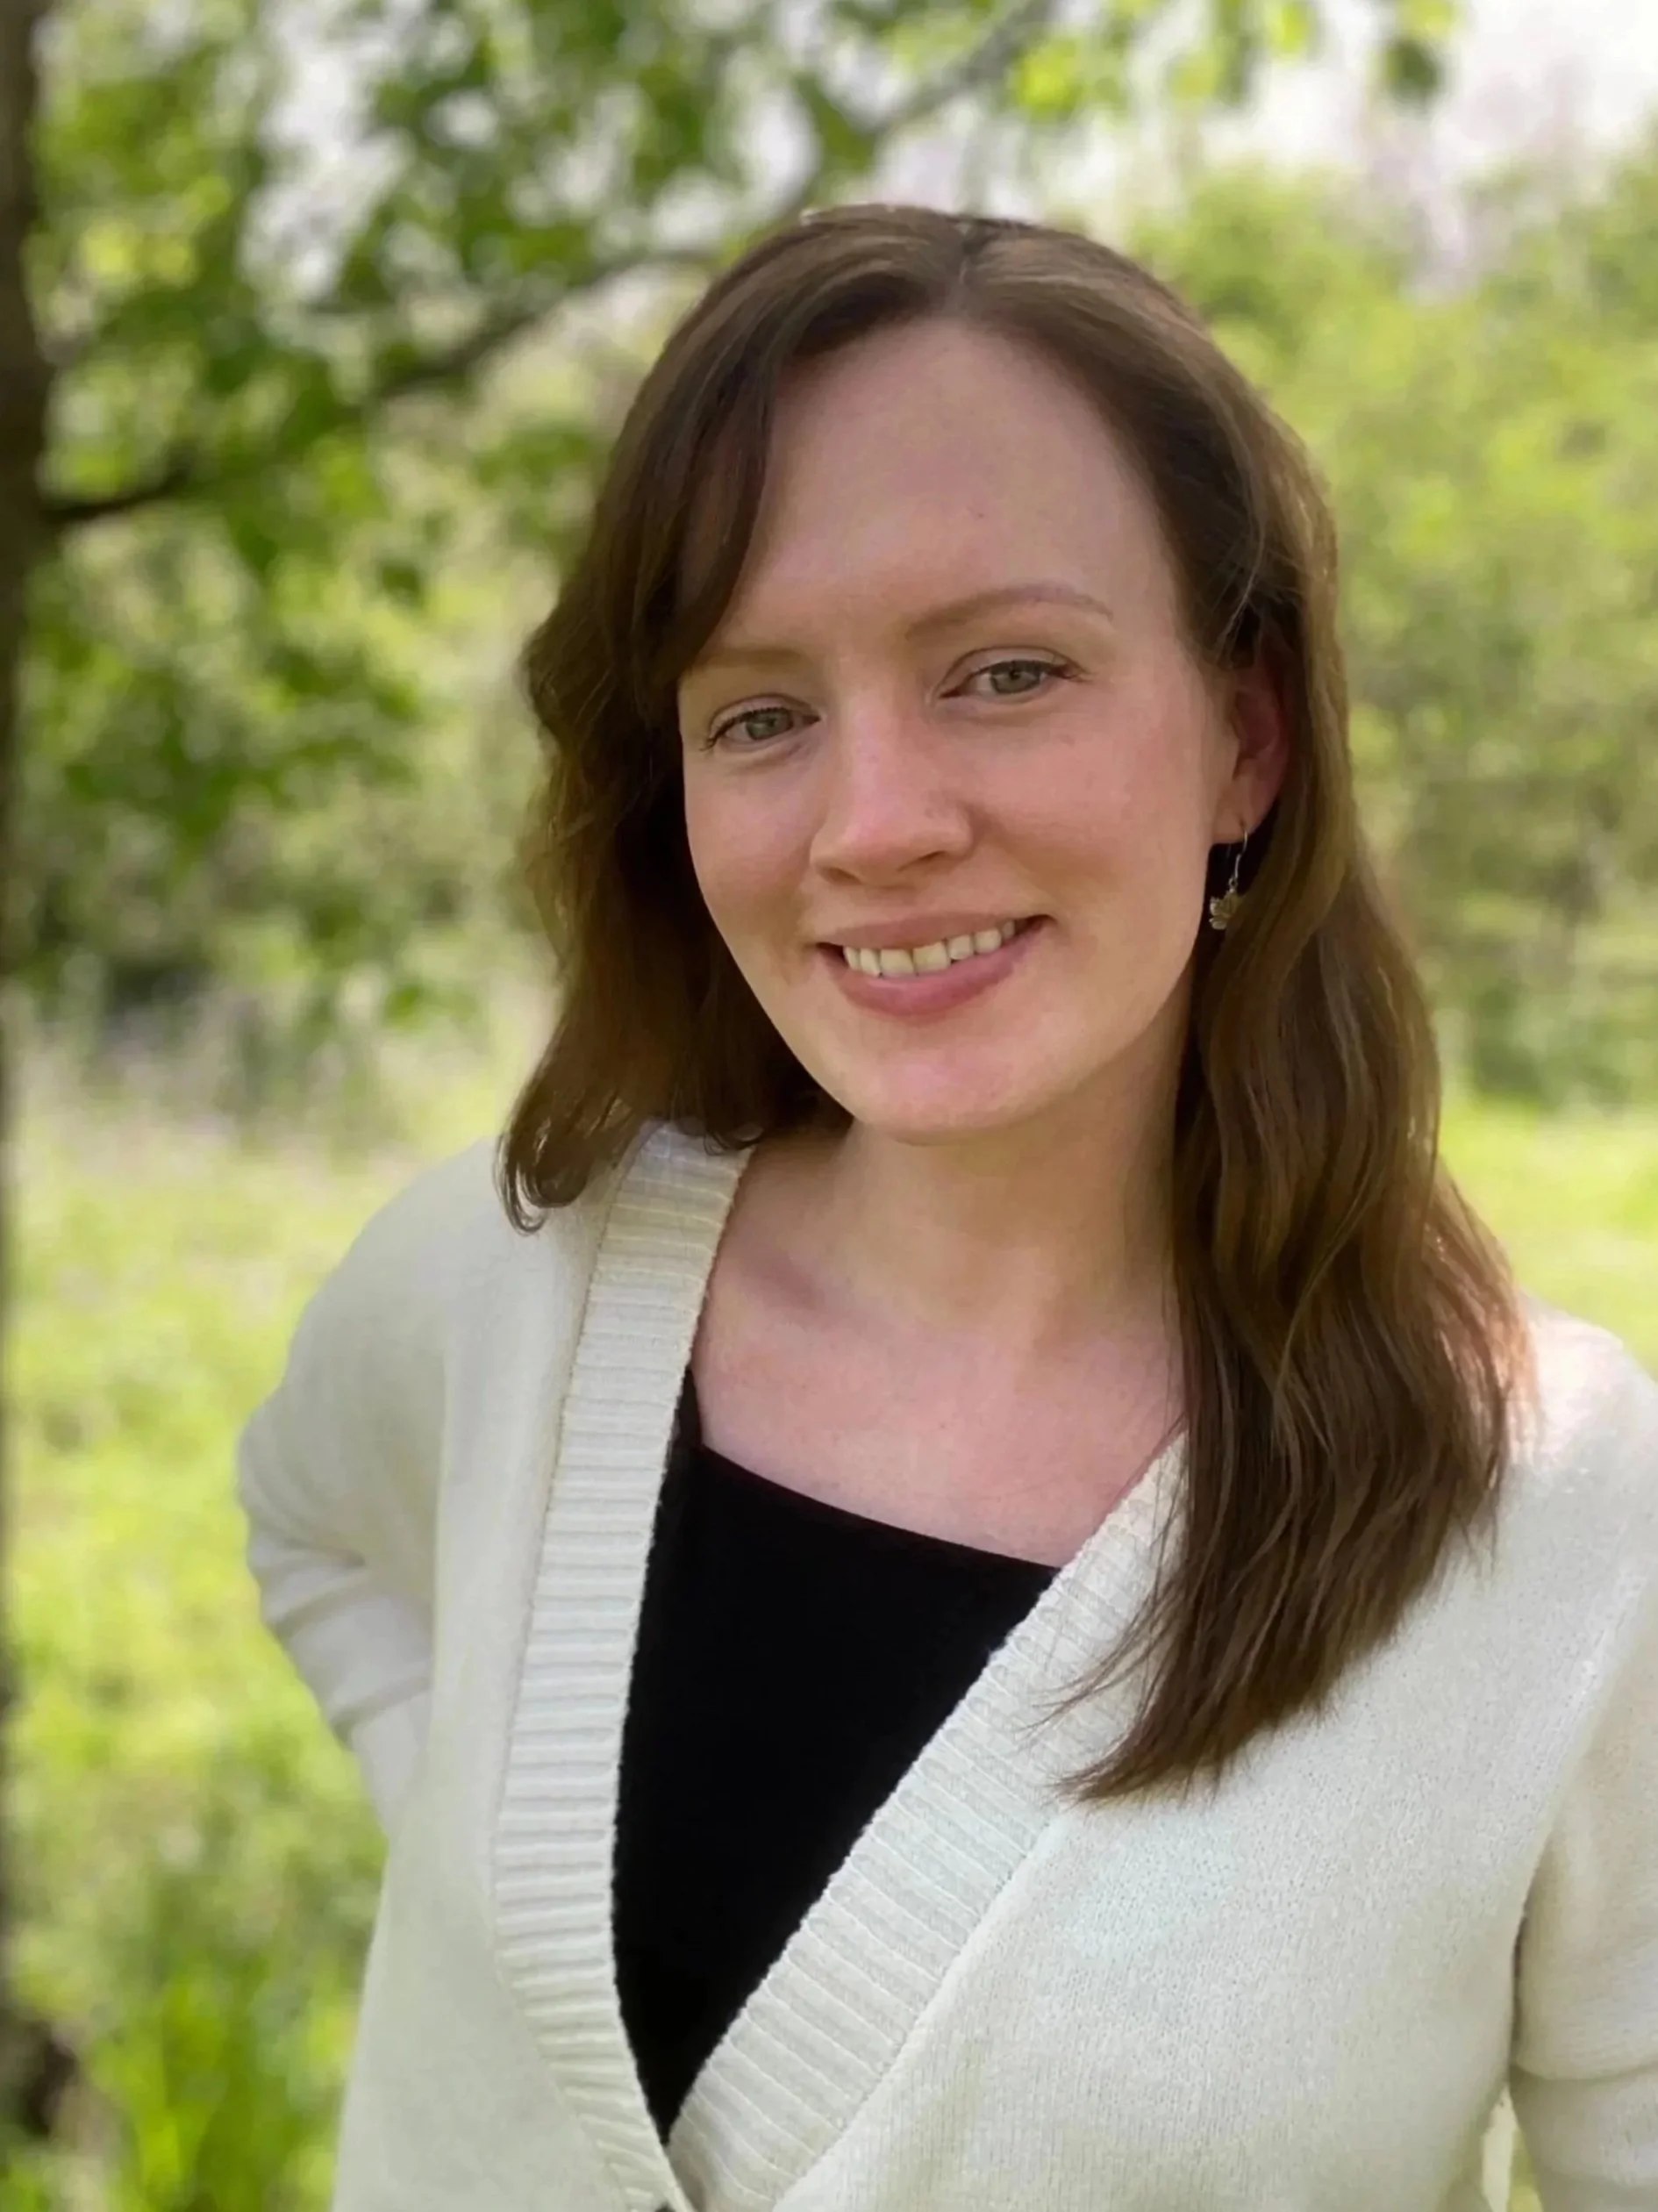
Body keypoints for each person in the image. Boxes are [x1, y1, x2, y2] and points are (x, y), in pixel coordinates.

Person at [236, 204, 1658, 2212]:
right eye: (759, 713)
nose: (876, 821)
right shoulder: (514, 1281)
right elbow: (311, 1530)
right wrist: (460, 1864)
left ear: (1245, 737)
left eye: (1003, 672)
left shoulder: (1559, 1518)